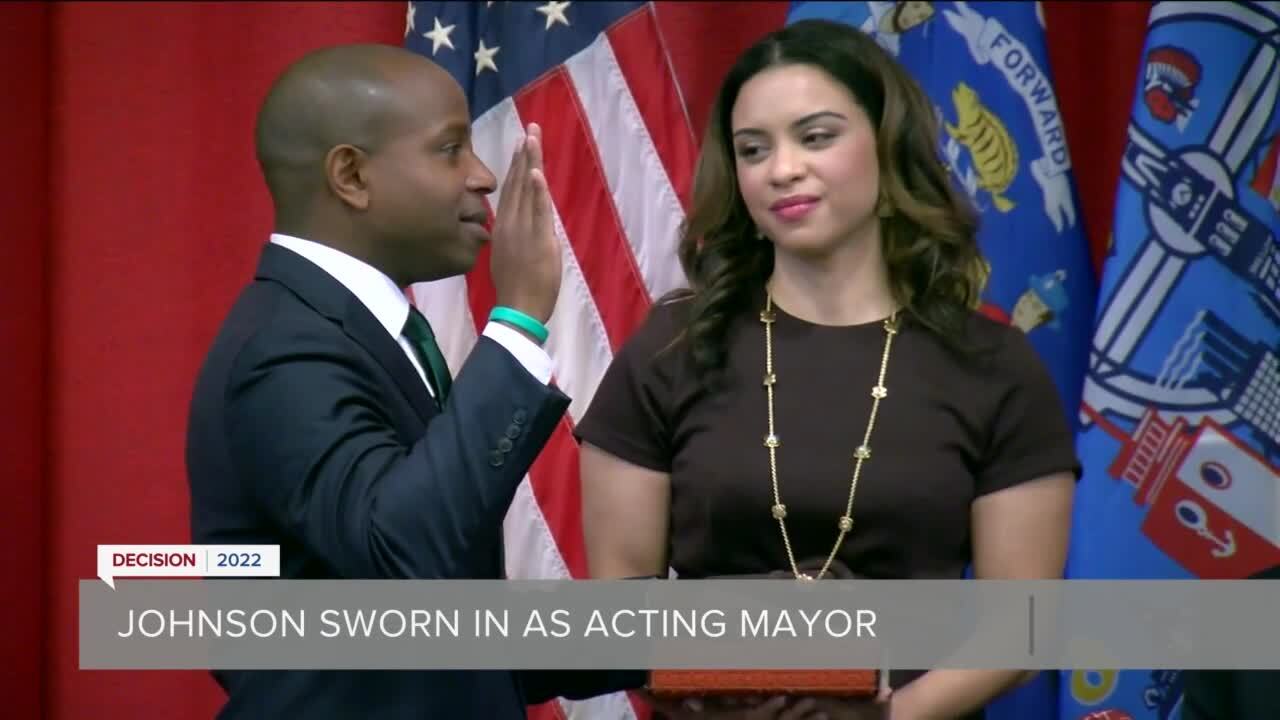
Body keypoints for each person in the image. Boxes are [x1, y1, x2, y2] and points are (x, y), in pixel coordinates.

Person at [574, 19, 1079, 720]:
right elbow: (617, 607)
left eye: (816, 137)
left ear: (886, 146)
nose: (782, 169)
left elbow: (1024, 623)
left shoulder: (993, 366)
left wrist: (886, 716)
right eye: (753, 149)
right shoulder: (674, 346)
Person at [185, 43, 642, 719]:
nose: (484, 177)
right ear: (351, 175)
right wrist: (517, 321)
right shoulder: (285, 349)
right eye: (451, 149)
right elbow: (405, 555)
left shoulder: (349, 333)